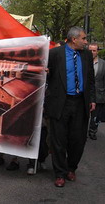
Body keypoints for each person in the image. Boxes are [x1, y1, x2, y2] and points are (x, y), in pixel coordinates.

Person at [45, 26, 95, 187]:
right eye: (84, 39)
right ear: (74, 39)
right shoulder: (54, 54)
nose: (86, 42)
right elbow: (45, 75)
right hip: (60, 103)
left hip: (80, 103)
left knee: (78, 140)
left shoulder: (86, 55)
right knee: (58, 140)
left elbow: (91, 80)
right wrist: (45, 72)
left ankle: (71, 168)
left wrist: (92, 99)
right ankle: (59, 173)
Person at [88, 43, 105, 140]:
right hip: (86, 94)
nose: (92, 52)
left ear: (97, 51)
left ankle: (93, 131)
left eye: (94, 50)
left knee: (96, 116)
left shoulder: (103, 63)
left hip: (99, 94)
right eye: (90, 50)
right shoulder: (83, 62)